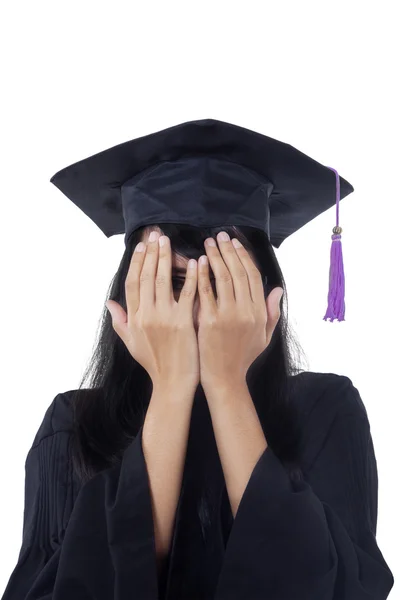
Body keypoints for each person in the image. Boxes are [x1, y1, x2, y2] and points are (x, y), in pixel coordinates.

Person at [1, 119, 395, 599]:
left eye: (225, 283)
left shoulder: (325, 410)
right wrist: (171, 387)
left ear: (268, 299)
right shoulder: (74, 424)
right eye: (168, 282)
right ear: (126, 301)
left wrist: (227, 382)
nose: (196, 308)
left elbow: (343, 591)